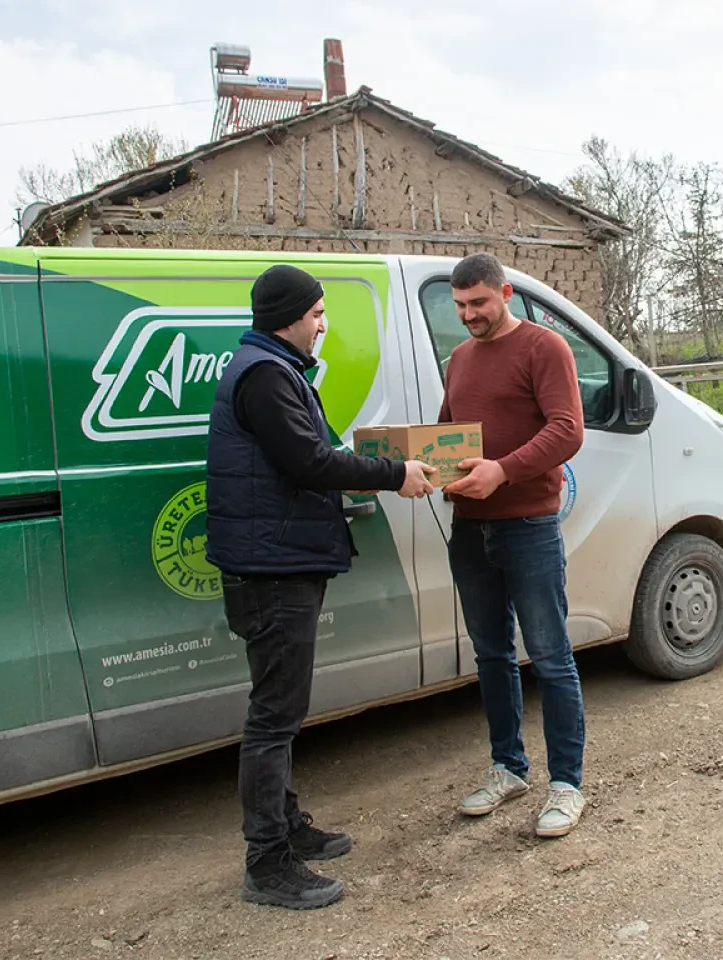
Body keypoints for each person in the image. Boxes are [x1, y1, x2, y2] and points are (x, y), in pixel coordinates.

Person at [206, 264, 436, 910]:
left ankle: (287, 826)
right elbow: (309, 461)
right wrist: (394, 473)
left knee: (281, 709)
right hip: (271, 568)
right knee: (274, 716)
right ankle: (267, 862)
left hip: (277, 561)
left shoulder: (270, 370)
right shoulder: (265, 377)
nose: (323, 325)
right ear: (289, 317)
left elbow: (307, 455)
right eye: (317, 314)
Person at [439, 252, 587, 838]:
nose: (469, 315)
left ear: (504, 293)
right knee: (492, 656)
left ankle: (567, 784)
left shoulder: (545, 348)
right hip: (470, 528)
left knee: (551, 657)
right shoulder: (459, 358)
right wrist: (421, 471)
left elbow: (566, 430)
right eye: (459, 306)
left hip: (527, 527)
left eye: (478, 303)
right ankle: (509, 768)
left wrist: (501, 470)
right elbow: (448, 434)